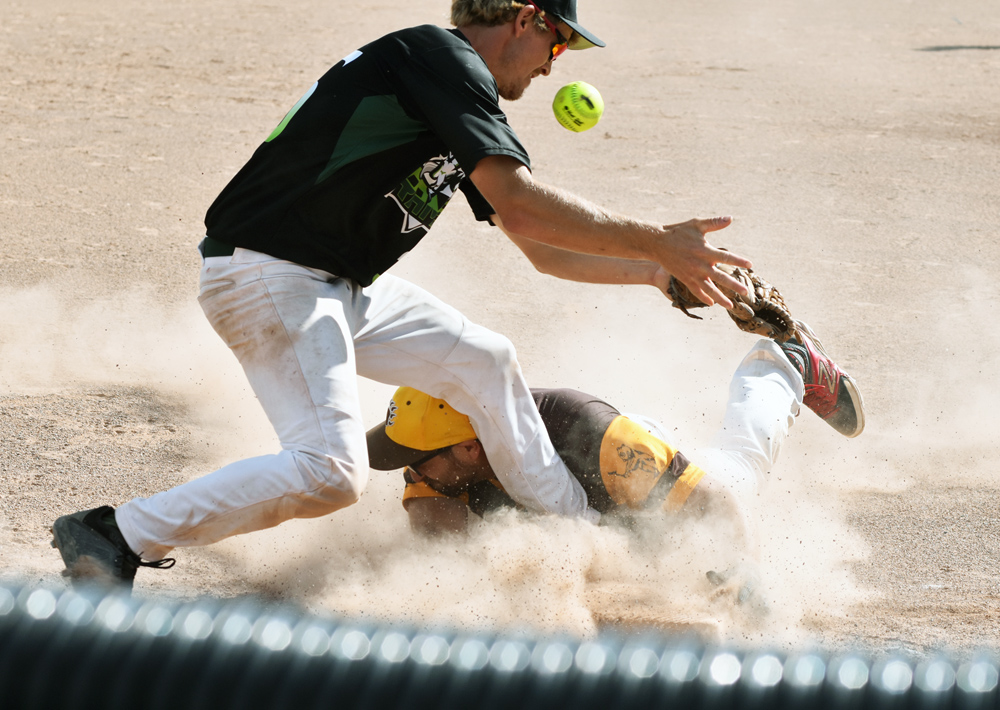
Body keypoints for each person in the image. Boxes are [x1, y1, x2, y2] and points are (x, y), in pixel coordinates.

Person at [51, 0, 755, 590]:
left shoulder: (447, 84)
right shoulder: (440, 59)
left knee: (486, 359)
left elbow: (537, 249)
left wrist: (657, 274)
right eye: (558, 42)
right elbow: (522, 208)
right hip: (269, 274)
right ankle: (117, 532)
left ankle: (574, 545)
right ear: (526, 17)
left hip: (333, 284)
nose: (551, 65)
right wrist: (655, 240)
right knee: (330, 472)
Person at [365, 321, 864, 552]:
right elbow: (441, 547)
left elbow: (717, 512)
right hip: (610, 499)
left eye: (416, 460)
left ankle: (783, 363)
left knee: (739, 471)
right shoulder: (448, 452)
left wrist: (746, 588)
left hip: (635, 475)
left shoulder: (590, 433)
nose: (409, 471)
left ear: (468, 447)